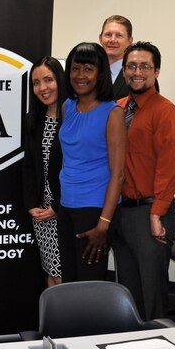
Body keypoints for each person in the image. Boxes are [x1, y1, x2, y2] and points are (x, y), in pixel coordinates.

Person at [113, 41, 175, 320]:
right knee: (127, 291)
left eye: (144, 66)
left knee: (152, 293)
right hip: (121, 212)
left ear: (156, 71)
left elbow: (170, 167)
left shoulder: (166, 112)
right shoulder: (118, 108)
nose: (137, 72)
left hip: (152, 213)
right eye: (131, 66)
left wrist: (157, 214)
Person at [57, 43, 126, 282]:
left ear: (101, 73)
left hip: (95, 211)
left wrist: (103, 225)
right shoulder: (68, 106)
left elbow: (118, 174)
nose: (80, 75)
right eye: (75, 68)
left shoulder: (113, 112)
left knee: (89, 286)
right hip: (66, 207)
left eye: (88, 69)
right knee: (69, 281)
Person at [23, 57, 67, 287]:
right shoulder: (34, 120)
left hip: (65, 211)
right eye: (36, 82)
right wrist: (32, 205)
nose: (43, 88)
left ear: (60, 79)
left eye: (48, 80)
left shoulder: (73, 117)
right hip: (41, 214)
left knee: (62, 275)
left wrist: (57, 207)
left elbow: (77, 168)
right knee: (50, 272)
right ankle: (53, 323)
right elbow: (29, 166)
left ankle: (69, 323)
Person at [98, 15, 158, 100]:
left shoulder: (143, 76)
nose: (112, 40)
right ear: (100, 38)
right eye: (108, 35)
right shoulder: (90, 72)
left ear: (130, 40)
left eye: (119, 35)